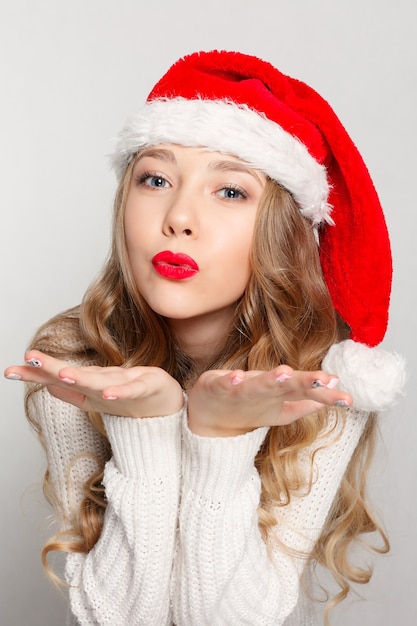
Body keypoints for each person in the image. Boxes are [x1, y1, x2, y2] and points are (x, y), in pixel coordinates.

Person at [5, 50, 405, 626]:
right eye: (156, 179)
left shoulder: (322, 382)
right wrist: (143, 426)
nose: (179, 217)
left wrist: (220, 435)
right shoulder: (75, 362)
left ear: (280, 230)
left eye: (231, 191)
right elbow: (112, 617)